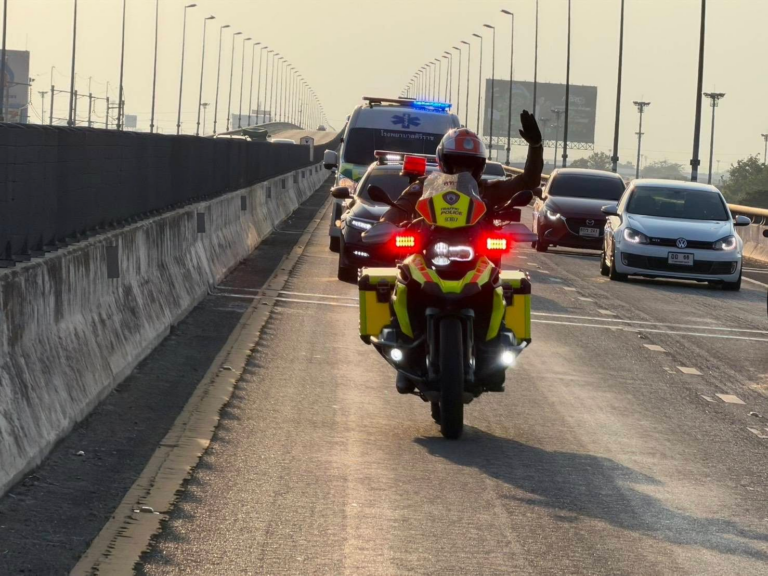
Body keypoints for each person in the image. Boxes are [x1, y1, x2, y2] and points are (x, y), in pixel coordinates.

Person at [382, 110, 543, 225]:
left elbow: (528, 181)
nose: (463, 170)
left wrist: (535, 148)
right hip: (427, 247)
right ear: (444, 161)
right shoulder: (424, 187)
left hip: (477, 250)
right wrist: (385, 225)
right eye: (457, 163)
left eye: (470, 165)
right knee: (405, 261)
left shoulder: (487, 190)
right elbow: (399, 209)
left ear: (479, 166)